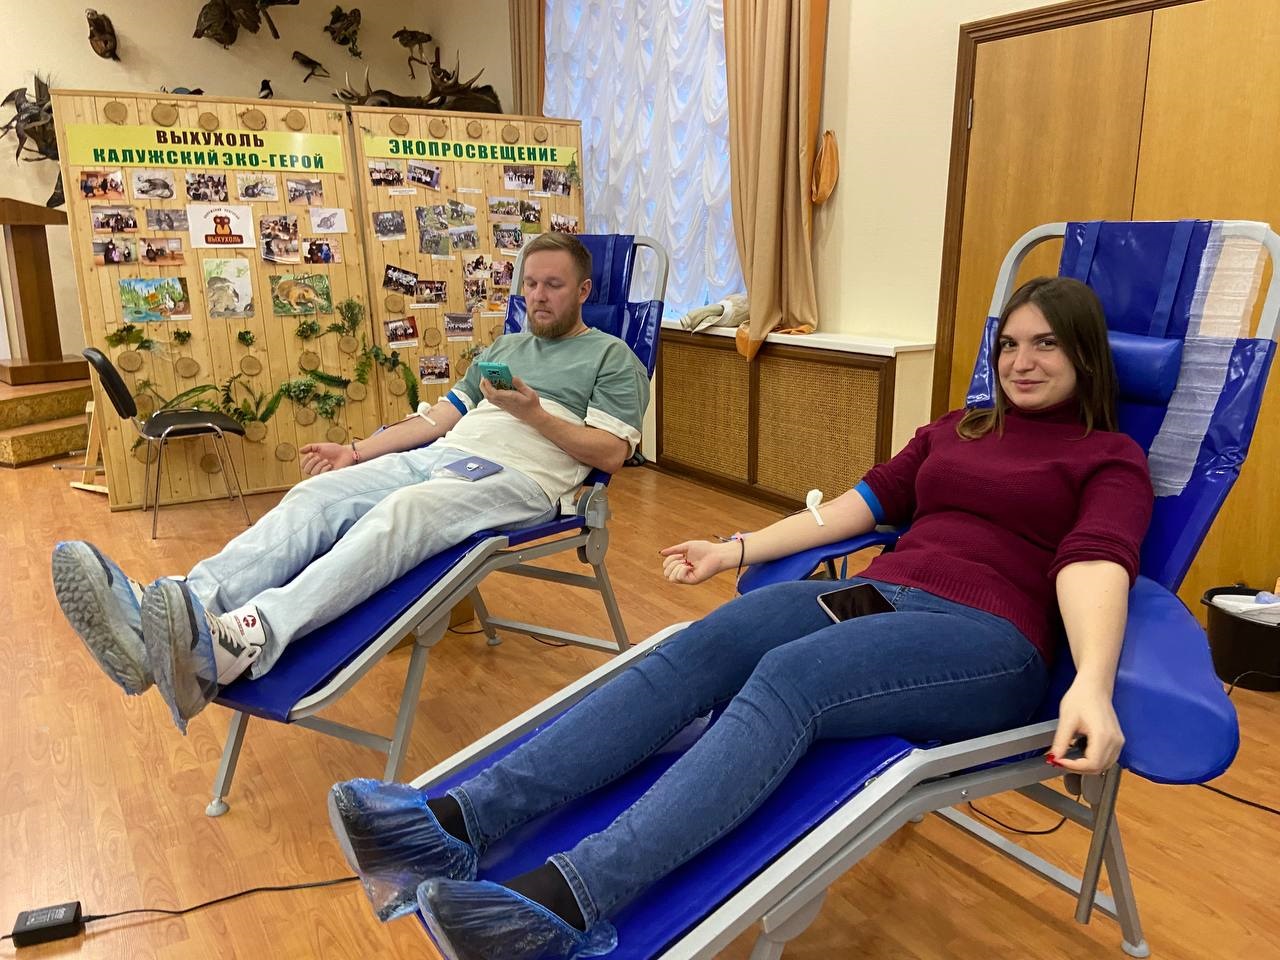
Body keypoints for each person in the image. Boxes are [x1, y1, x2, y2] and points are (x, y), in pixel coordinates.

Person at [325, 275, 1154, 959]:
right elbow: (856, 509)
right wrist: (736, 549)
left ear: (1084, 355)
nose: (1021, 362)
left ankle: (570, 900)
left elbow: (1094, 564)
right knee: (704, 646)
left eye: (1046, 345)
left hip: (985, 639)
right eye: (1010, 344)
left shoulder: (1108, 457)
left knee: (793, 678)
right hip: (883, 595)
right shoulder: (956, 430)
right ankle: (455, 822)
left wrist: (1090, 682)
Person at [51, 232, 649, 736]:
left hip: (522, 480)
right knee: (315, 496)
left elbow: (611, 454)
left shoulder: (612, 357)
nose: (538, 296)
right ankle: (173, 611)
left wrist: (533, 413)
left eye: (554, 285)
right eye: (531, 283)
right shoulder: (505, 346)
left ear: (583, 292)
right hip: (443, 456)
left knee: (405, 514)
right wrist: (355, 451)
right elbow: (436, 421)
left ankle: (247, 640)